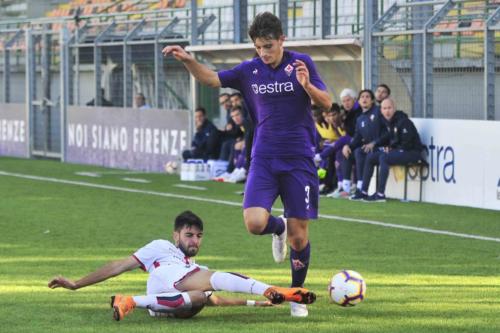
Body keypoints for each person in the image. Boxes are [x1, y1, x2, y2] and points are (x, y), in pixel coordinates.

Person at [162, 12, 331, 317]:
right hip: (263, 158)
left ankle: (295, 296)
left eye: (269, 46)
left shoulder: (301, 63)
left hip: (299, 161)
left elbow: (326, 103)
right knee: (254, 223)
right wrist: (188, 60)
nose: (264, 53)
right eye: (258, 48)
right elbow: (211, 78)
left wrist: (306, 85)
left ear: (282, 40)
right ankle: (275, 227)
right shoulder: (249, 70)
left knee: (299, 235)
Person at [48, 211, 316, 321]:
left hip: (169, 300)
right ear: (176, 235)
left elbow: (215, 300)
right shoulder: (160, 247)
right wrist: (76, 284)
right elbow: (118, 265)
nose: (194, 241)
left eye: (198, 236)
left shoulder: (194, 266)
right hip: (165, 279)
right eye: (189, 235)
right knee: (213, 277)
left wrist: (253, 304)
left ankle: (130, 301)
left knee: (202, 296)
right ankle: (279, 289)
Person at [359, 98, 424, 202]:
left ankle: (380, 194)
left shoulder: (403, 121)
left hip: (412, 152)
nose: (387, 111)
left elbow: (406, 144)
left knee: (384, 157)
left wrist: (392, 148)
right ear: (381, 110)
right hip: (400, 150)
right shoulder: (388, 122)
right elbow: (393, 140)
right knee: (371, 157)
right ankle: (363, 192)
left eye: (389, 108)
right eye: (384, 108)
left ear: (394, 108)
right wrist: (390, 147)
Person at [342, 89, 386, 201]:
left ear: (372, 101)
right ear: (359, 101)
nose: (364, 99)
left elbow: (387, 131)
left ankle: (362, 189)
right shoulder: (360, 118)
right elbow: (357, 137)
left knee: (360, 152)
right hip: (369, 149)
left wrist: (375, 143)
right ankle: (350, 188)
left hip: (382, 147)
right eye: (362, 97)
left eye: (367, 97)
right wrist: (348, 146)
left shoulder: (378, 111)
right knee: (353, 151)